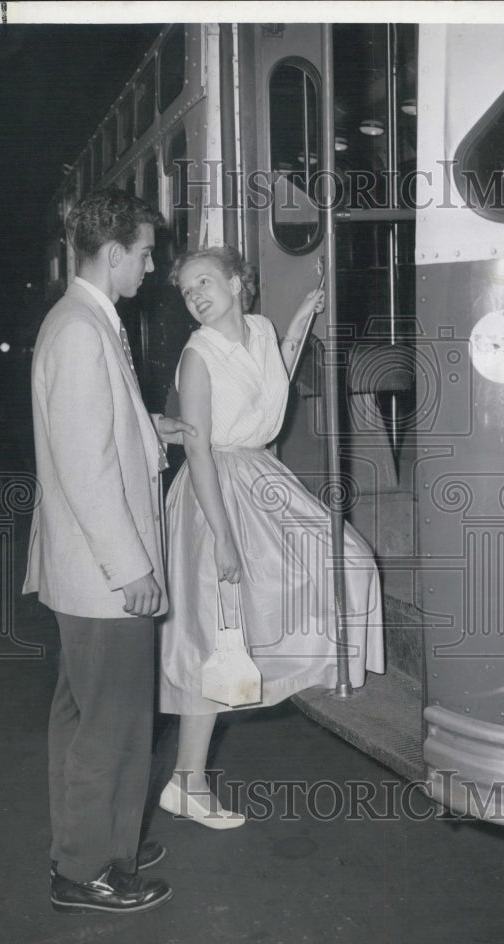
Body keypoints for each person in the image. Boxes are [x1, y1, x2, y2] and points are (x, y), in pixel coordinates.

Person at [157, 245, 384, 829]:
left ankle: (321, 672)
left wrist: (304, 316)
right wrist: (223, 535)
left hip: (259, 474)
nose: (197, 296)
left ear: (238, 283)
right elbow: (199, 446)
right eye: (187, 291)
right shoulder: (197, 357)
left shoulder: (259, 329)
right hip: (216, 491)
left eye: (205, 282)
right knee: (218, 630)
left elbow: (271, 379)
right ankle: (187, 783)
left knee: (349, 562)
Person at [23, 187, 195, 913]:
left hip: (81, 570)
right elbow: (86, 467)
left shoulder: (86, 321)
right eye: (148, 254)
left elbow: (96, 430)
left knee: (81, 714)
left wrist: (153, 429)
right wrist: (134, 570)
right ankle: (90, 869)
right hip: (105, 575)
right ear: (117, 251)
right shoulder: (82, 331)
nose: (152, 269)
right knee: (114, 725)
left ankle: (92, 840)